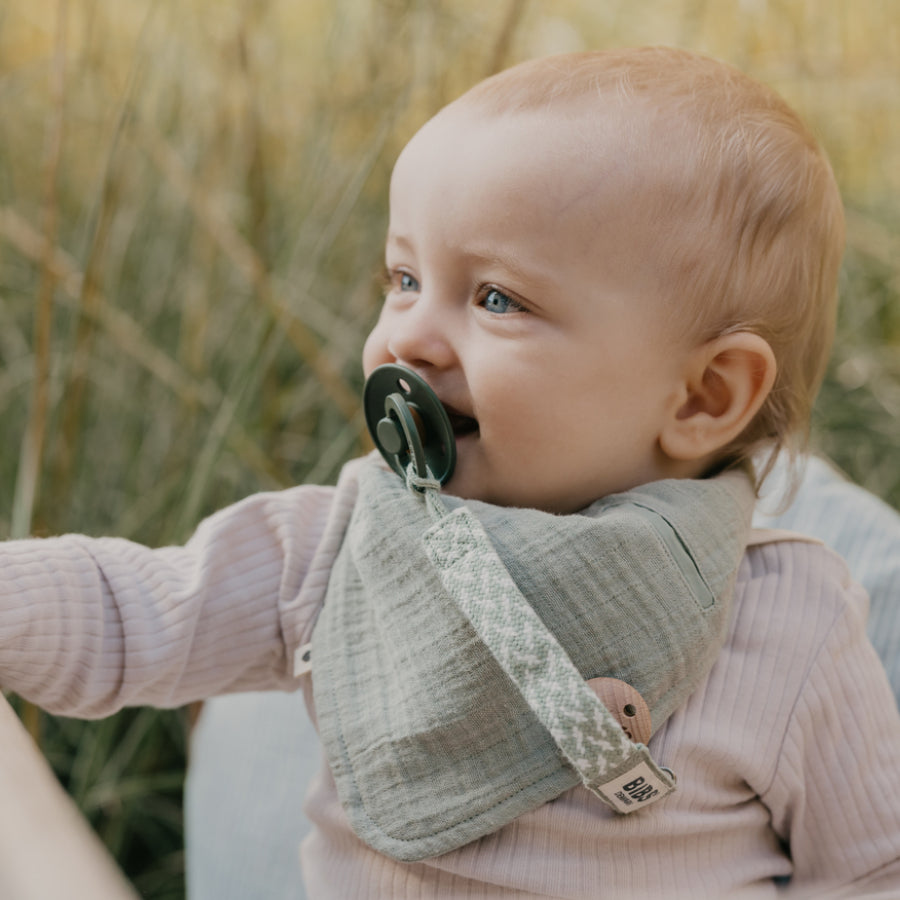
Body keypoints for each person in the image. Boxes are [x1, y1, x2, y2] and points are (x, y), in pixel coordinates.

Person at [3, 47, 899, 898]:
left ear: (704, 395)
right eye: (402, 278)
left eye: (495, 297)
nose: (405, 337)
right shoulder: (340, 549)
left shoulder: (789, 621)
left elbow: (870, 871)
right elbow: (138, 611)